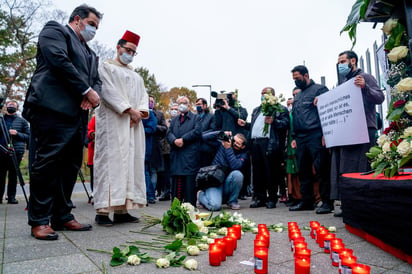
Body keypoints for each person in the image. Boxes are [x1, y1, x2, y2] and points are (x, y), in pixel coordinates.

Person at [22, 4, 102, 240]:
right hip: (51, 108)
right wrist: (85, 90)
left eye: (97, 27)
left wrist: (92, 96)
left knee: (70, 166)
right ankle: (39, 220)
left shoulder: (91, 53)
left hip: (77, 115)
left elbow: (96, 81)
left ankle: (62, 214)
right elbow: (58, 60)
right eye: (92, 24)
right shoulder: (55, 31)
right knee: (47, 163)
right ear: (77, 20)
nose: (94, 30)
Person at [93, 30, 149, 226]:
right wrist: (128, 110)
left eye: (134, 52)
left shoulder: (137, 76)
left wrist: (139, 113)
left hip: (133, 126)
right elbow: (107, 92)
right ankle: (102, 210)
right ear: (119, 47)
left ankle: (123, 209)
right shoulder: (105, 68)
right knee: (111, 165)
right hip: (113, 124)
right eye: (128, 50)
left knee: (130, 165)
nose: (130, 54)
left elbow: (144, 97)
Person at [331, 50, 385, 217]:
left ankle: (366, 204)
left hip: (364, 129)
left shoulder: (365, 77)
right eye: (339, 62)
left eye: (343, 61)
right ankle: (349, 204)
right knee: (347, 168)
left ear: (352, 61)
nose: (340, 65)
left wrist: (365, 87)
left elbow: (379, 97)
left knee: (363, 167)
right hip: (348, 131)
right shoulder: (344, 83)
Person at [289, 65, 333, 214]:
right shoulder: (298, 95)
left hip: (315, 134)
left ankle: (327, 202)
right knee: (303, 170)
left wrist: (325, 134)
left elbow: (328, 111)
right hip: (300, 137)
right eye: (294, 79)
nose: (296, 81)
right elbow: (295, 116)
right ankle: (306, 201)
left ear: (306, 75)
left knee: (322, 169)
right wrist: (294, 137)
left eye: (297, 78)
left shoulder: (320, 90)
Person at [247, 87, 289, 209]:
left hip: (269, 143)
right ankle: (259, 198)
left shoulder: (280, 109)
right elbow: (255, 126)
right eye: (261, 94)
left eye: (265, 94)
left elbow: (285, 124)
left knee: (270, 172)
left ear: (272, 95)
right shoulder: (256, 110)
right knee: (257, 172)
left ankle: (271, 198)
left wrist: (274, 121)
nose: (262, 96)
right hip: (255, 143)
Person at [197, 132, 248, 211]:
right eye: (234, 141)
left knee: (238, 175)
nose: (234, 144)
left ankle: (232, 201)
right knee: (215, 206)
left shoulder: (243, 155)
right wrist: (220, 133)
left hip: (227, 182)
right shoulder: (221, 145)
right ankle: (200, 195)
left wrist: (228, 149)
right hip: (215, 180)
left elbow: (235, 166)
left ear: (243, 146)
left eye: (238, 143)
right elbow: (204, 137)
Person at [167, 96, 201, 206]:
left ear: (189, 105)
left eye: (184, 102)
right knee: (176, 190)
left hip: (189, 157)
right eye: (179, 103)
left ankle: (190, 212)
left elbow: (197, 131)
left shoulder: (196, 118)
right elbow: (168, 133)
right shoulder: (174, 120)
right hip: (177, 156)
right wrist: (174, 140)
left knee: (189, 189)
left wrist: (183, 139)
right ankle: (175, 213)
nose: (181, 105)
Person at [0, 100, 30, 204]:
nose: (11, 106)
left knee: (13, 175)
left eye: (13, 105)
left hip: (16, 152)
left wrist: (17, 134)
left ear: (17, 108)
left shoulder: (22, 121)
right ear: (5, 107)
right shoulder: (1, 120)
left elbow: (28, 136)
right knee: (0, 175)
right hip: (1, 152)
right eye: (9, 105)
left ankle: (11, 197)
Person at [148, 95, 167, 201]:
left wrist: (154, 127)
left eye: (152, 101)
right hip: (144, 143)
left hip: (155, 144)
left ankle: (152, 193)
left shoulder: (159, 114)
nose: (150, 103)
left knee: (154, 170)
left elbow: (164, 128)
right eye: (148, 101)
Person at [196, 98, 216, 167]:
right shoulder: (194, 117)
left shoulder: (211, 116)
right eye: (196, 105)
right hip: (196, 149)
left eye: (199, 104)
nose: (197, 106)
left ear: (205, 105)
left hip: (206, 148)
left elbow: (213, 129)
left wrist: (201, 135)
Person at [143, 106, 158, 204]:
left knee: (145, 172)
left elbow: (152, 128)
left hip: (144, 147)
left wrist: (139, 129)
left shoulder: (149, 113)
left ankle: (150, 195)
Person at [87, 115, 95, 194]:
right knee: (94, 174)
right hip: (94, 152)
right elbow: (88, 131)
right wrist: (92, 133)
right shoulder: (95, 118)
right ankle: (94, 192)